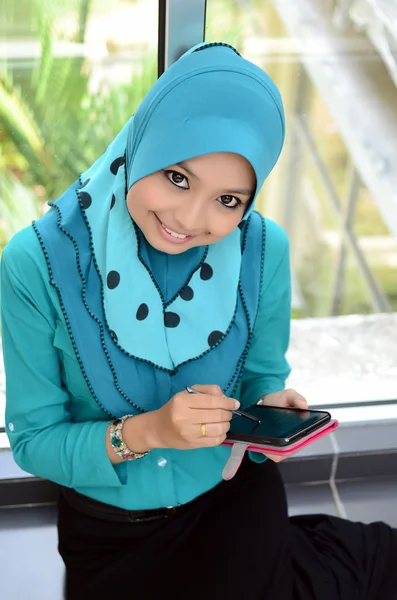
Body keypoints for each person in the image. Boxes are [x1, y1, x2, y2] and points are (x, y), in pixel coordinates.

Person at [1, 42, 396, 600]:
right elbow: (35, 441)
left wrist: (269, 413)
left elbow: (261, 379)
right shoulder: (38, 263)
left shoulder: (263, 250)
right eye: (177, 178)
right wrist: (149, 432)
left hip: (232, 501)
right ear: (144, 144)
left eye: (229, 200)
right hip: (112, 535)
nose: (190, 220)